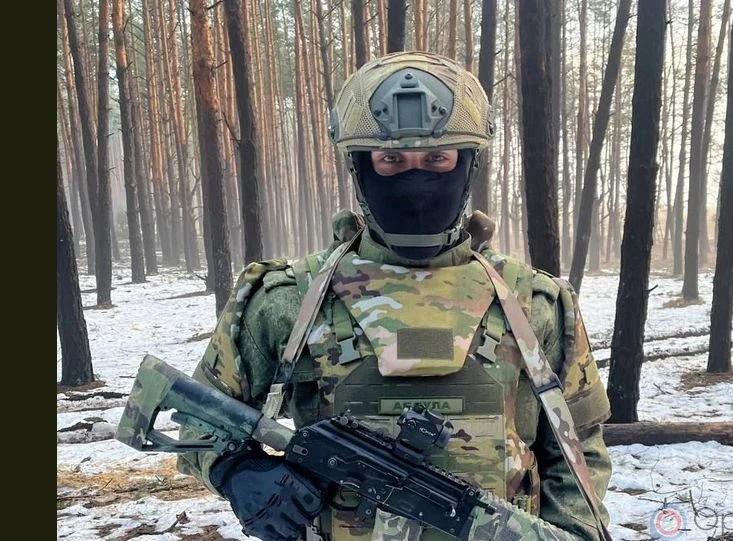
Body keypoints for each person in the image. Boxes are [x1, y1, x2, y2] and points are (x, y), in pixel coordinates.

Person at [176, 51, 614, 541]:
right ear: (360, 166)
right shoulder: (287, 302)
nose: (416, 180)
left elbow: (578, 448)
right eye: (391, 161)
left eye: (437, 159)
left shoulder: (536, 304)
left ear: (467, 163)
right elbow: (198, 417)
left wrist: (570, 531)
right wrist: (238, 472)